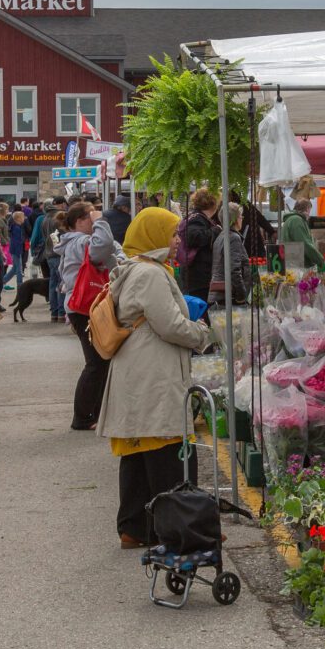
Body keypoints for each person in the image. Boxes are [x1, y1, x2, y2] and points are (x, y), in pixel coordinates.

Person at [95, 207, 217, 549]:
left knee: (138, 453)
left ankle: (135, 528)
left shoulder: (136, 269)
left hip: (139, 372)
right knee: (166, 454)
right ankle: (176, 528)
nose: (178, 239)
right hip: (153, 375)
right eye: (173, 233)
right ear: (154, 235)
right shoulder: (149, 274)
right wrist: (202, 334)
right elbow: (171, 326)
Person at [59, 201, 121, 430]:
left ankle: (93, 413)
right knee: (95, 363)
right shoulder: (81, 241)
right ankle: (83, 416)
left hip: (83, 307)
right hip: (85, 307)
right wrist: (101, 221)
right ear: (79, 221)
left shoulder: (75, 242)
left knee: (100, 362)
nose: (95, 219)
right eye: (90, 217)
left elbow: (111, 249)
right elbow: (105, 246)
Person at [176, 188, 222, 302]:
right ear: (213, 204)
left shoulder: (196, 217)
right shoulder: (197, 218)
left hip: (195, 275)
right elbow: (194, 237)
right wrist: (215, 230)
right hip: (197, 276)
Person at [279, 185, 325, 268]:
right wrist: (320, 260)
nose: (309, 214)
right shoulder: (297, 220)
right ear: (307, 208)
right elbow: (305, 243)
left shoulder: (291, 219)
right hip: (298, 264)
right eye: (309, 210)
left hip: (291, 262)